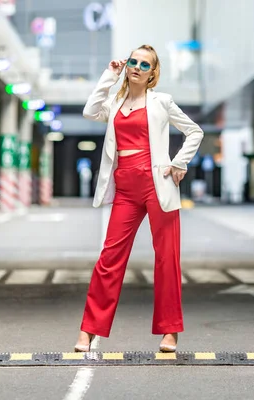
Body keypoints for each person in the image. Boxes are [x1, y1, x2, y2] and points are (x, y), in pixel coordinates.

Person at [74, 45, 204, 353]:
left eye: (144, 64)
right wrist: (110, 74)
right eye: (133, 61)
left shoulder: (162, 102)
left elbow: (194, 132)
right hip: (126, 188)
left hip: (157, 183)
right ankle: (89, 329)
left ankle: (170, 332)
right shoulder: (115, 104)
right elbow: (90, 110)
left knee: (167, 259)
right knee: (109, 260)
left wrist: (179, 162)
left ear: (152, 73)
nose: (136, 67)